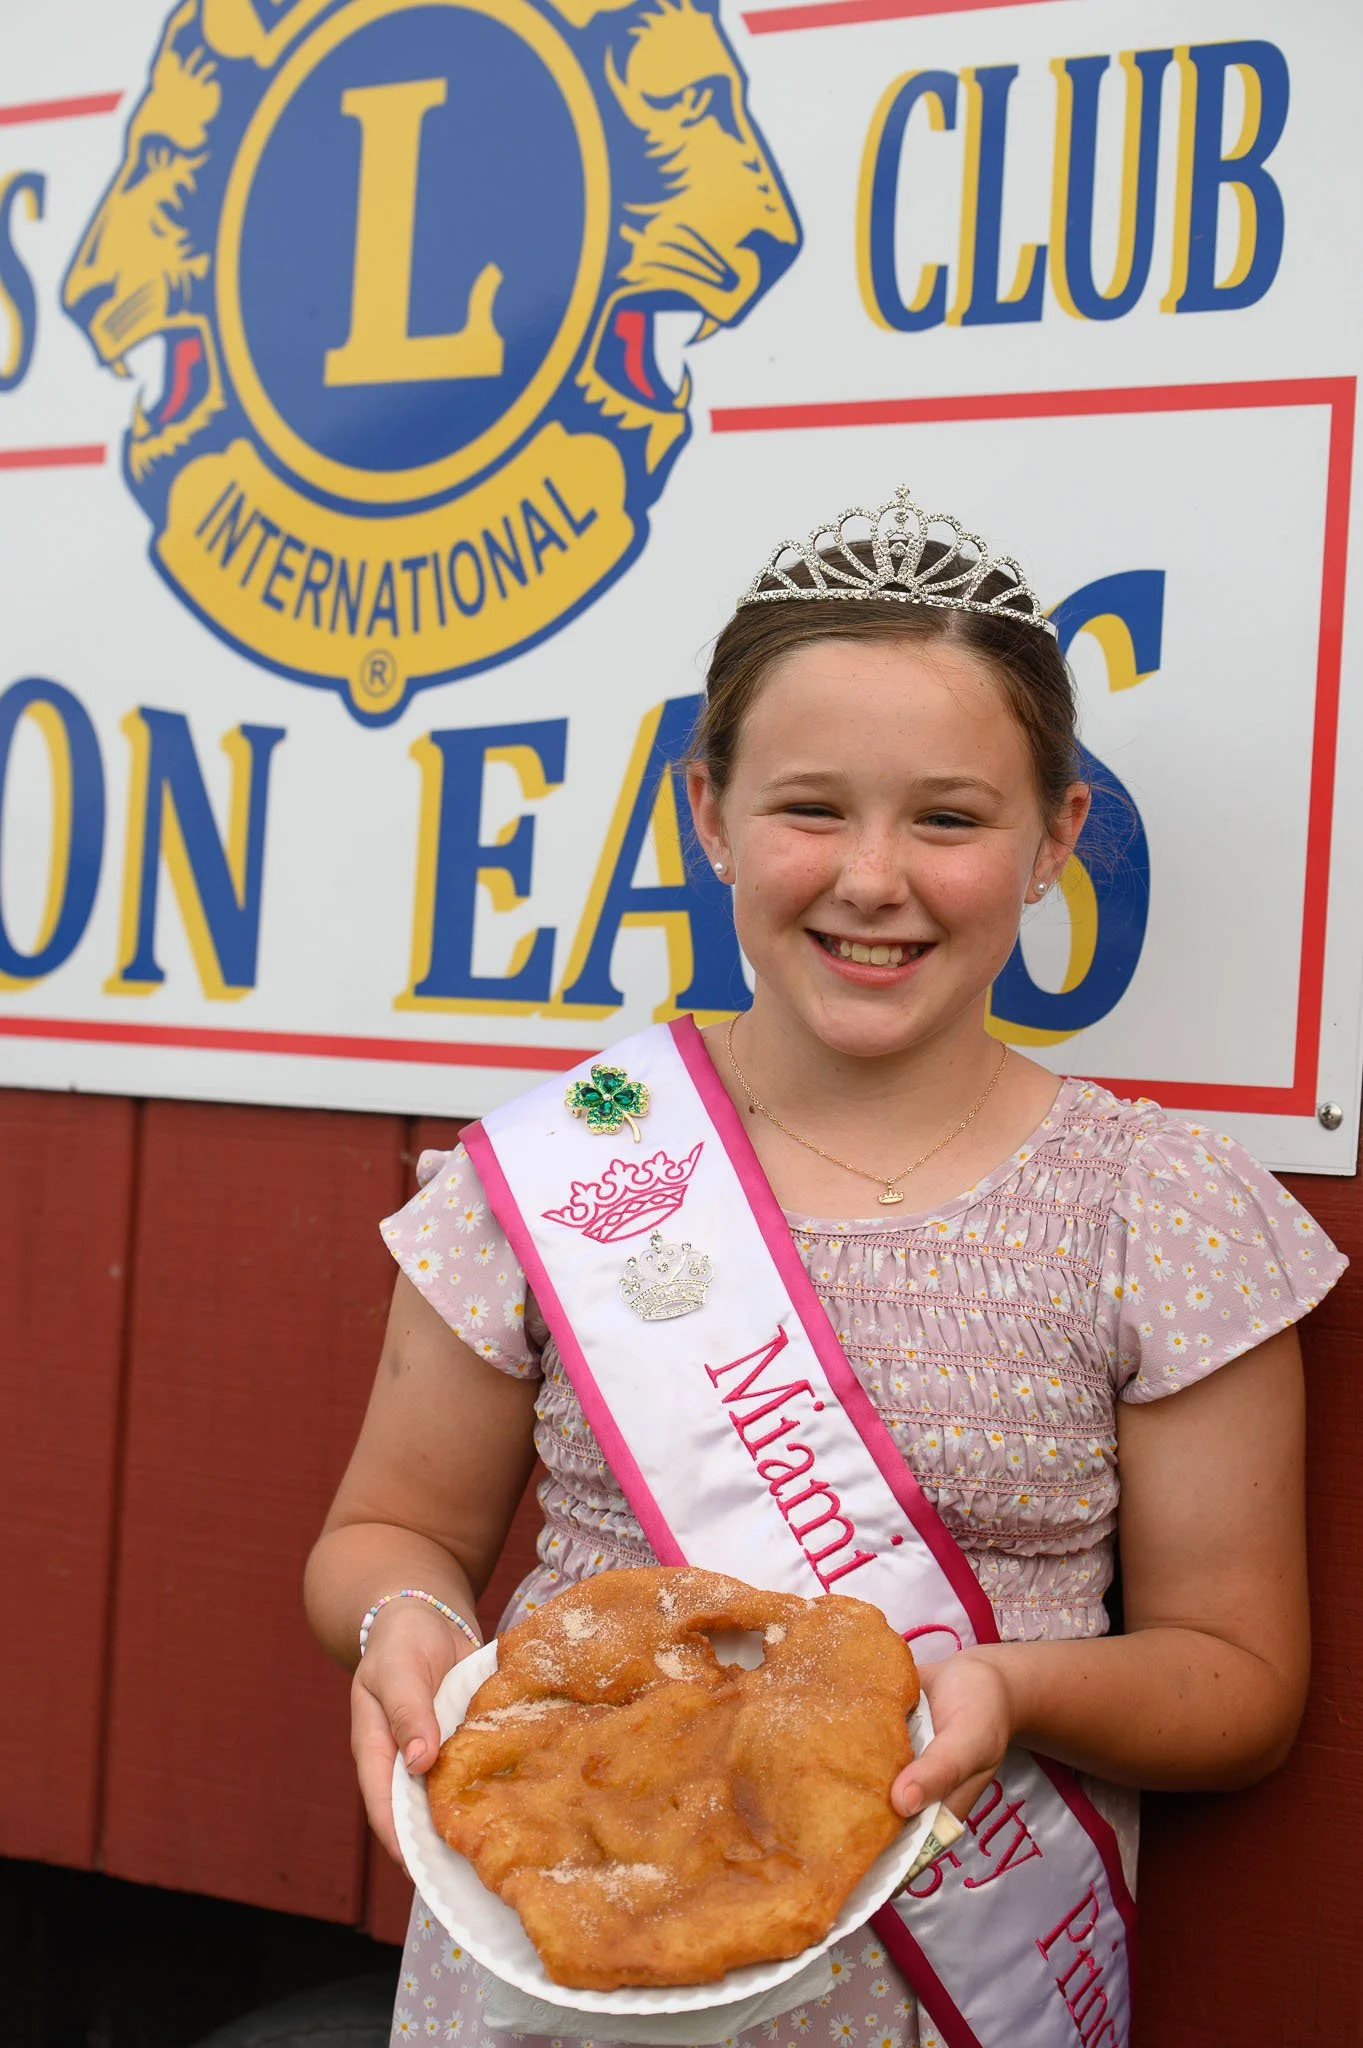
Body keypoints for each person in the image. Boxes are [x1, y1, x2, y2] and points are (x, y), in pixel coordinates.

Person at [305, 488, 1345, 2048]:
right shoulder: (561, 1165)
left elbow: (1238, 1683)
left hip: (962, 1973)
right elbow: (383, 1530)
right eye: (808, 809)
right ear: (707, 814)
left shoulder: (1158, 1209)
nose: (873, 878)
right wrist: (399, 1621)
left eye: (947, 816)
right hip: (569, 1965)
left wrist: (1008, 1693)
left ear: (1053, 836)